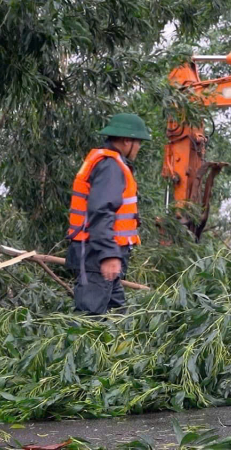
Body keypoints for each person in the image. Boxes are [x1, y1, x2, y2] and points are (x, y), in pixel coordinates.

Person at [65, 113, 151, 315]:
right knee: (89, 320)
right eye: (138, 142)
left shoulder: (109, 162)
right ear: (127, 140)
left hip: (98, 255)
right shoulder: (110, 166)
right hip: (97, 257)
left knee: (118, 317)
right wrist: (109, 255)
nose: (138, 148)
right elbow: (100, 210)